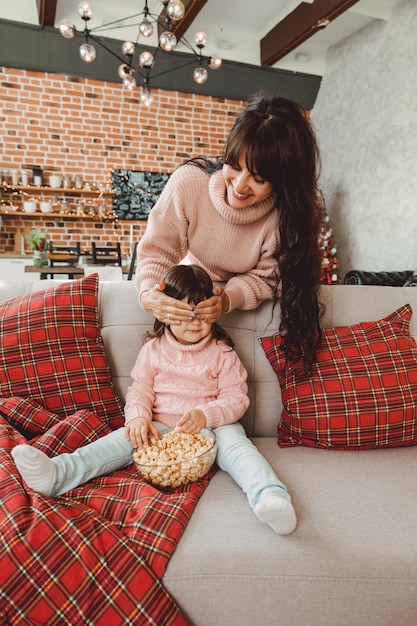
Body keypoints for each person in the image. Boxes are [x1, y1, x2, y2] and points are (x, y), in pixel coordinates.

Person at [12, 265, 297, 535]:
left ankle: (270, 497)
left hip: (214, 427)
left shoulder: (222, 353)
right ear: (164, 312)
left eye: (200, 312)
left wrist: (205, 415)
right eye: (183, 312)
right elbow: (141, 391)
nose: (193, 322)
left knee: (241, 451)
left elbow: (236, 399)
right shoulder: (153, 350)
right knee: (115, 443)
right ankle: (57, 474)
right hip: (160, 426)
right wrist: (138, 417)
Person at [137, 90, 323, 370]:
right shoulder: (188, 185)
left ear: (283, 180)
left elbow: (266, 278)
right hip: (196, 284)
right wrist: (150, 293)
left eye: (258, 178)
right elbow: (156, 252)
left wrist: (228, 299)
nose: (239, 186)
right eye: (234, 166)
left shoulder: (282, 220)